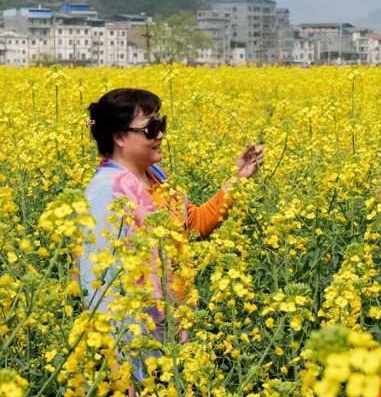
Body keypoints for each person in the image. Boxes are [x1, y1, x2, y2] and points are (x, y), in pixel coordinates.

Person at [78, 88, 264, 376]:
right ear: (119, 137)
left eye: (161, 124)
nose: (161, 134)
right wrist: (120, 354)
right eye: (151, 128)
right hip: (136, 336)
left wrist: (238, 179)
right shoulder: (108, 190)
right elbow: (97, 280)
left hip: (173, 320)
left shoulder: (157, 177)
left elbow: (195, 225)